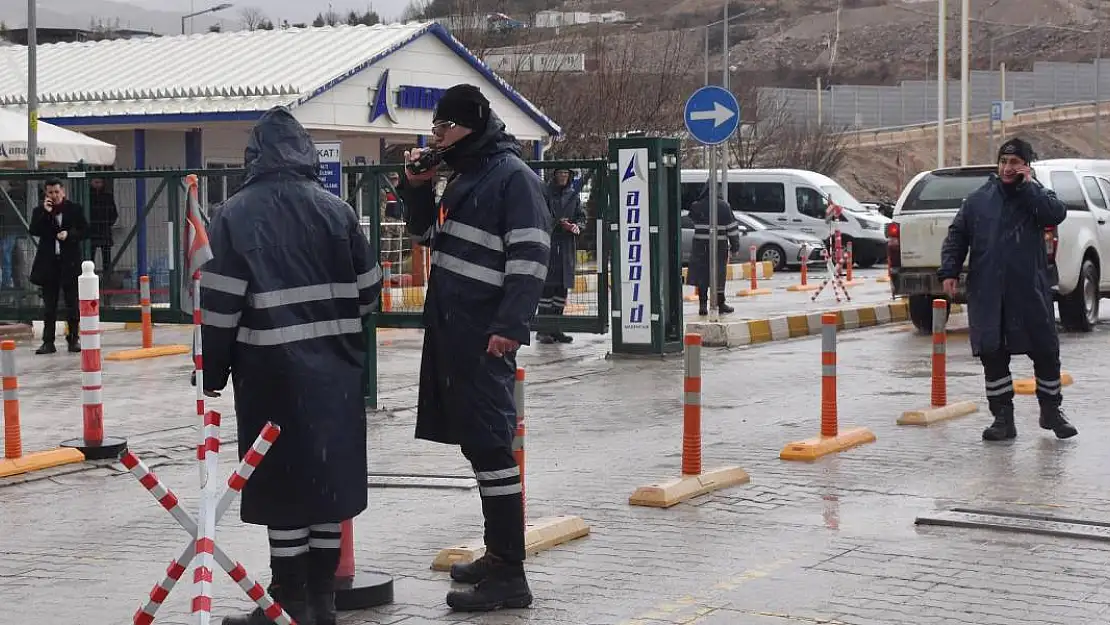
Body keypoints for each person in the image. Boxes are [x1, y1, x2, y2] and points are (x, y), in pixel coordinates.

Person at [199, 106, 382, 625]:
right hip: (337, 375)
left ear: (253, 157)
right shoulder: (337, 211)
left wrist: (211, 373)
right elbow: (370, 293)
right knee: (327, 486)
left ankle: (287, 602)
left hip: (270, 373)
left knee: (280, 489)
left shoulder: (233, 215)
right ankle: (323, 603)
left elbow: (220, 307)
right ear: (304, 153)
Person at [397, 84, 550, 612]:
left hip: (486, 333)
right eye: (435, 128)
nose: (436, 136)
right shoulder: (466, 175)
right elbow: (426, 236)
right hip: (455, 331)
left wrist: (510, 324)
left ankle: (509, 574)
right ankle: (497, 556)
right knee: (477, 445)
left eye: (444, 127)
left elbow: (530, 258)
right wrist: (416, 187)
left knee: (490, 444)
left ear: (471, 125)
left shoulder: (512, 177)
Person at [938, 137, 1077, 442]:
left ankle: (1051, 411)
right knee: (993, 354)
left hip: (1029, 290)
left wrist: (1029, 187)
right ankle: (1003, 418)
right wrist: (949, 270)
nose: (1007, 168)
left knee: (1045, 351)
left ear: (1026, 167)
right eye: (1003, 162)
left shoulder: (1037, 197)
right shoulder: (979, 200)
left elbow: (1056, 213)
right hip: (988, 292)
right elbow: (957, 234)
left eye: (1014, 163)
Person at [28, 178, 86, 354]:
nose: (54, 195)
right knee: (49, 305)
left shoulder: (74, 209)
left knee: (72, 303)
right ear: (46, 194)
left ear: (63, 192)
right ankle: (48, 341)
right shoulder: (40, 211)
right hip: (49, 263)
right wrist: (46, 213)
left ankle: (73, 338)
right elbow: (34, 230)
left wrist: (69, 234)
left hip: (69, 261)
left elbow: (85, 230)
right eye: (50, 192)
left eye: (56, 192)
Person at [536, 167, 585, 345]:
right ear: (554, 175)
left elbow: (582, 217)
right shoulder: (546, 193)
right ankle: (543, 329)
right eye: (560, 173)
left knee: (561, 292)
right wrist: (556, 224)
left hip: (566, 247)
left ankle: (557, 328)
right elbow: (539, 215)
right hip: (549, 244)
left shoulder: (573, 194)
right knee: (546, 291)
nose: (563, 176)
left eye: (566, 173)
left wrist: (575, 226)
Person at [687, 183, 741, 316]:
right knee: (718, 274)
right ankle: (720, 304)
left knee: (702, 275)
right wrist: (735, 247)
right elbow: (733, 229)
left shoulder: (696, 206)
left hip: (700, 246)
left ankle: (703, 306)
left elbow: (691, 220)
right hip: (719, 246)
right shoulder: (724, 206)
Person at [87, 177, 119, 272]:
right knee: (89, 258)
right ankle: (90, 276)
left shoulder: (107, 197)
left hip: (104, 230)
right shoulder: (87, 195)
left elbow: (114, 214)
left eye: (99, 182)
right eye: (95, 181)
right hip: (91, 231)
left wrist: (108, 224)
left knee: (106, 259)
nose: (97, 184)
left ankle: (107, 278)